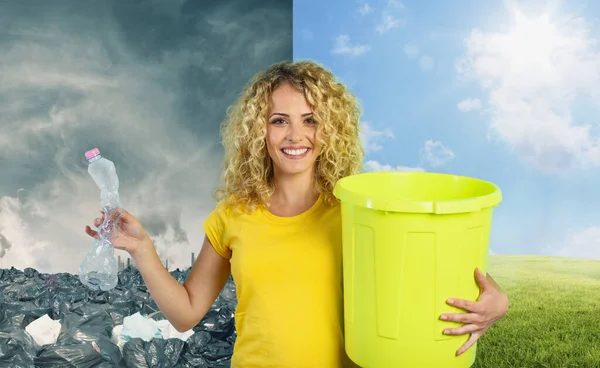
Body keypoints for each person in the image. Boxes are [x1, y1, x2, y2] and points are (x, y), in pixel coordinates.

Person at [85, 60, 510, 367]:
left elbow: (432, 278)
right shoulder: (233, 214)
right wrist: (142, 249)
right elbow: (186, 313)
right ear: (258, 132)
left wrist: (497, 301)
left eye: (310, 120)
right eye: (278, 121)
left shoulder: (358, 211)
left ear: (331, 129)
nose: (295, 135)